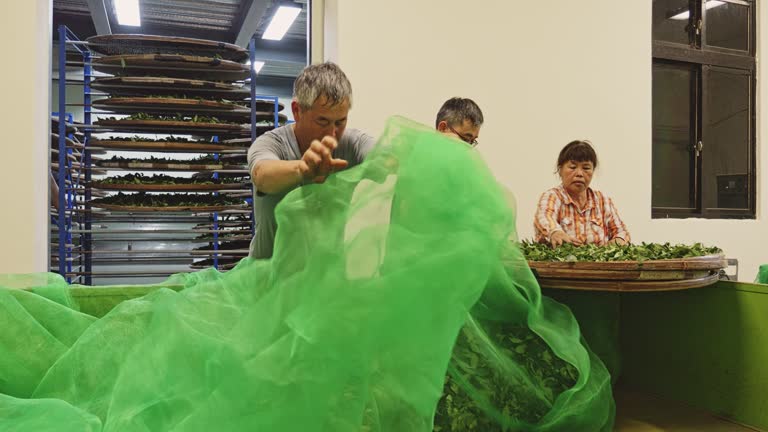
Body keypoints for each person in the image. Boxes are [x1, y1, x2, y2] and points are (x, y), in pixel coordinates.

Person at [247, 62, 376, 259]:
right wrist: (302, 170)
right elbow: (262, 175)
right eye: (322, 121)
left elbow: (389, 157)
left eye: (340, 122)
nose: (332, 133)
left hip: (326, 282)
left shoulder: (354, 143)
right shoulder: (271, 143)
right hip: (269, 282)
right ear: (297, 111)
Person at [534, 140, 630, 247]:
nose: (579, 174)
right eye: (572, 167)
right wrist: (555, 232)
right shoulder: (553, 196)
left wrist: (615, 243)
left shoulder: (602, 200)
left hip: (598, 263)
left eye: (586, 168)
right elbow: (544, 217)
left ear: (593, 171)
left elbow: (622, 232)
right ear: (560, 170)